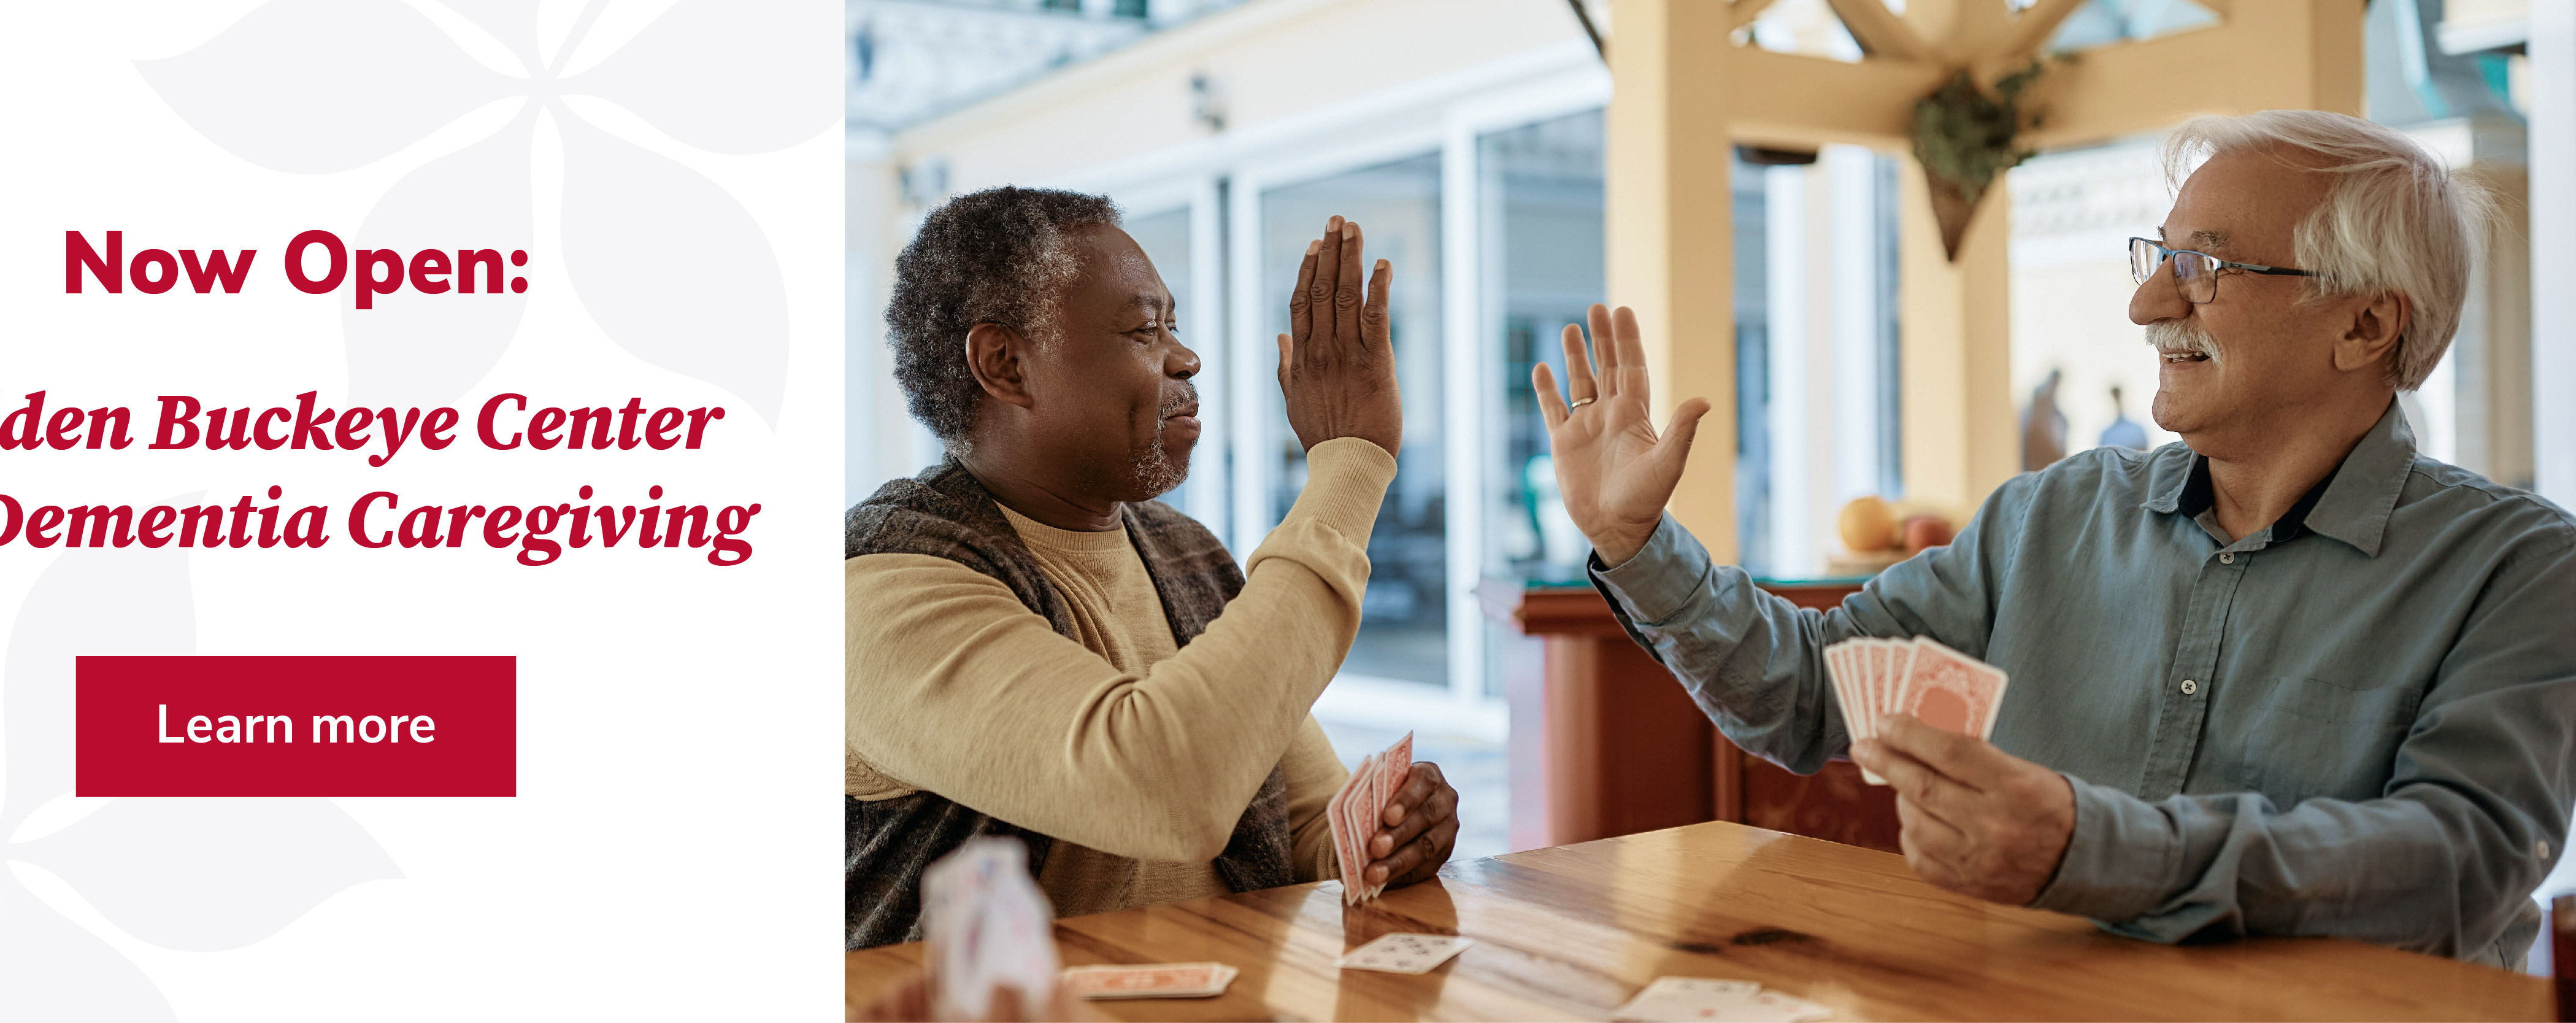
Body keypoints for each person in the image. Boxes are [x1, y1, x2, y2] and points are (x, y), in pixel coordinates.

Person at [1532, 110, 2572, 967]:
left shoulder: (2522, 569)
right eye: (2159, 256)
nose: (2145, 302)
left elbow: (2458, 859)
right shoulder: (2055, 514)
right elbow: (1810, 695)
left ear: (2366, 327)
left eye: (2203, 265)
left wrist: (2092, 845)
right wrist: (1637, 539)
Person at [844, 189, 1461, 949]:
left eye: (1173, 323)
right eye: (1142, 329)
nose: (1186, 357)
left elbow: (1299, 820)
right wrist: (1350, 468)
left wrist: (1382, 835)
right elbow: (1170, 788)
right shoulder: (881, 588)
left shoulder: (1186, 552)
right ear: (1004, 365)